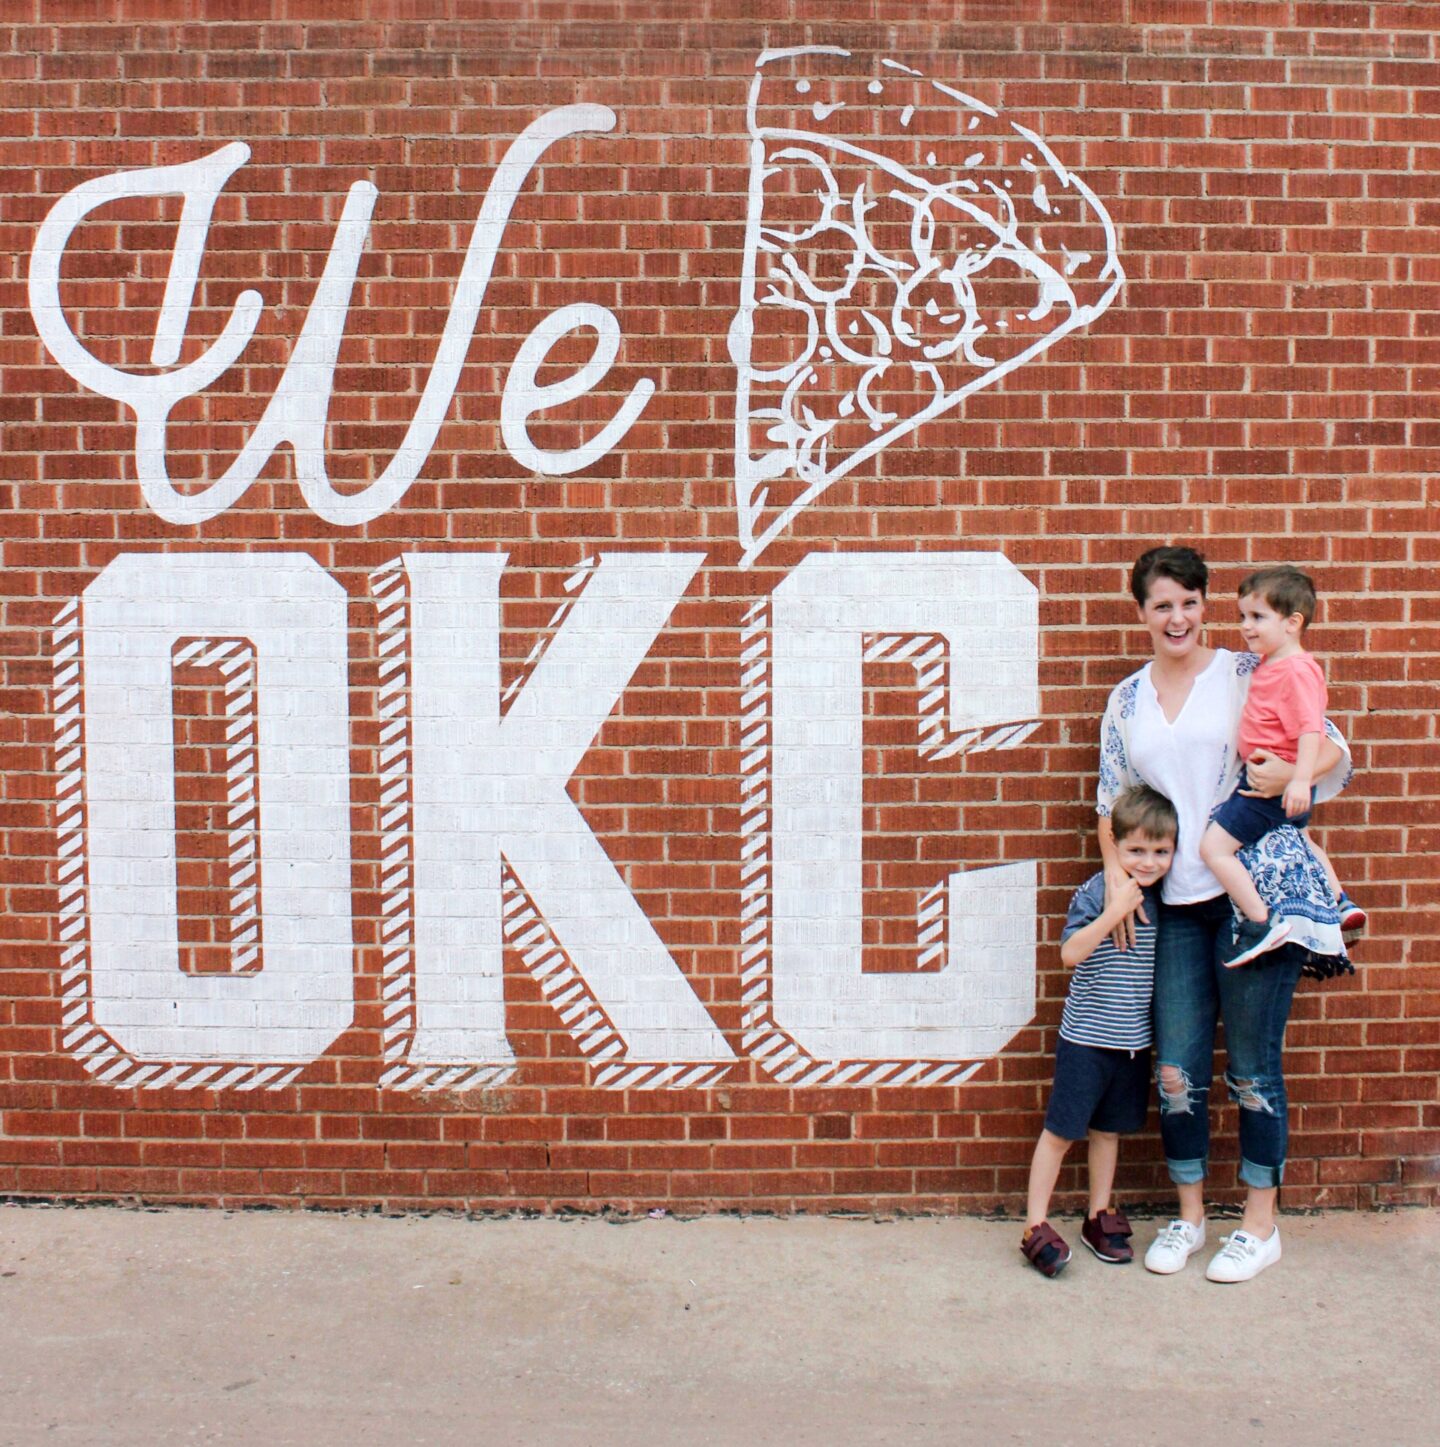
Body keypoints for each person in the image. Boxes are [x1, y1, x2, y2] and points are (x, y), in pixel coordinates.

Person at [1096, 546, 1352, 1284]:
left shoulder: (1249, 669)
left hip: (1253, 901)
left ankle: (1259, 1224)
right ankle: (1190, 1215)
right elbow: (1109, 802)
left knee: (1251, 1069)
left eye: (1189, 601)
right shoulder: (1127, 699)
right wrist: (1121, 886)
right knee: (1176, 1069)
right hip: (1173, 907)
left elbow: (1332, 745)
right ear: (1141, 612)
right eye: (1161, 604)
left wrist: (1296, 772)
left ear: (1205, 605)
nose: (1177, 617)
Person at [1021, 786, 1178, 1278]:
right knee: (1061, 1132)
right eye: (1136, 851)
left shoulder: (1168, 901)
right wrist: (1113, 912)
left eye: (1160, 852)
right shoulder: (1097, 891)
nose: (1148, 863)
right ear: (1115, 846)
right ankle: (1033, 1225)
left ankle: (1097, 1214)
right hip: (1087, 1039)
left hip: (1132, 1044)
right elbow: (1069, 954)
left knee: (1107, 1132)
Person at [1198, 565, 1362, 966]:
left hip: (1267, 787)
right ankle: (1339, 901)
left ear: (1292, 623)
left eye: (1258, 617)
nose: (1246, 627)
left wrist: (1299, 781)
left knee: (1214, 849)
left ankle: (1261, 923)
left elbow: (1311, 730)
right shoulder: (1270, 664)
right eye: (1242, 617)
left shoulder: (1297, 670)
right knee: (1304, 842)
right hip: (1277, 785)